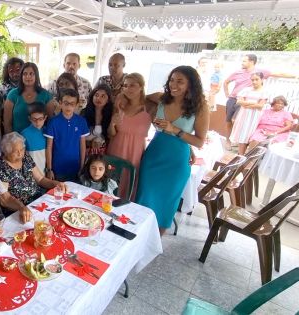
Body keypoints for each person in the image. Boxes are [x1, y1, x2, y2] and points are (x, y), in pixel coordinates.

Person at [137, 66, 209, 236]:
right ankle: (136, 240)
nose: (173, 85)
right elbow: (139, 98)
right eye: (171, 80)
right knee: (144, 199)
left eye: (180, 81)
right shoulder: (161, 98)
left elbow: (199, 141)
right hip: (154, 156)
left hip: (176, 163)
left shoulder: (200, 107)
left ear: (191, 85)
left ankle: (155, 243)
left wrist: (174, 130)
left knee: (166, 206)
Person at [223, 54, 294, 148]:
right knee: (228, 121)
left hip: (245, 100)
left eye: (244, 61)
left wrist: (295, 76)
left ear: (251, 62)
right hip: (233, 99)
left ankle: (237, 141)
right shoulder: (238, 72)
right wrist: (227, 94)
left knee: (235, 120)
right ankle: (228, 141)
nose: (242, 63)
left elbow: (279, 74)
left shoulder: (260, 72)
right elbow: (226, 82)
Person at [107, 73, 151, 199]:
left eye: (132, 85)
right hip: (116, 149)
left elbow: (165, 129)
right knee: (111, 184)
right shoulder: (120, 105)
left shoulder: (150, 107)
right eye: (125, 86)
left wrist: (189, 148)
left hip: (135, 153)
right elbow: (111, 134)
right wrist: (112, 123)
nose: (128, 89)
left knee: (129, 184)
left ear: (141, 87)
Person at [0, 132, 67, 207]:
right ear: (6, 152)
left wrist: (55, 184)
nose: (20, 154)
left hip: (37, 201)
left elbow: (40, 179)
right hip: (19, 209)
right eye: (15, 151)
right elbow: (5, 200)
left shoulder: (26, 157)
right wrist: (21, 207)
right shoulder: (1, 168)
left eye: (22, 149)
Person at [45, 88, 90, 182]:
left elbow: (82, 146)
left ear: (77, 105)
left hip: (76, 169)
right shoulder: (53, 122)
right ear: (60, 103)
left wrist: (82, 167)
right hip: (57, 169)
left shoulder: (81, 121)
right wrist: (49, 169)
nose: (68, 107)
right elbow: (48, 147)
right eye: (66, 103)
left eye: (72, 104)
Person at [3, 62, 57, 133]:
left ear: (36, 76)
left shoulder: (46, 95)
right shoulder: (13, 94)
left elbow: (51, 121)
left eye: (31, 74)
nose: (28, 77)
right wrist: (11, 140)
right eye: (25, 74)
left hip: (39, 141)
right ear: (21, 76)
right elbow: (7, 124)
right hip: (17, 141)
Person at [229, 72, 269, 154]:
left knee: (250, 134)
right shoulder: (246, 90)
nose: (254, 82)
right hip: (244, 114)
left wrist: (246, 103)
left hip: (255, 116)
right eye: (252, 80)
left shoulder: (264, 92)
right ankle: (240, 155)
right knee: (242, 134)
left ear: (262, 79)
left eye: (256, 79)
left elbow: (260, 106)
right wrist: (254, 104)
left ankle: (246, 156)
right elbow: (239, 101)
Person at [81, 84, 114, 155]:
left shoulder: (110, 115)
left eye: (103, 96)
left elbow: (109, 137)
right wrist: (90, 142)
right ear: (92, 97)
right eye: (96, 95)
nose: (98, 98)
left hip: (102, 151)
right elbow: (80, 134)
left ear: (108, 100)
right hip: (85, 148)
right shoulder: (84, 112)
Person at [21, 103, 47, 173]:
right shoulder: (24, 134)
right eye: (34, 119)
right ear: (29, 118)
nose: (37, 122)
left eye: (40, 119)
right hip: (31, 172)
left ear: (45, 118)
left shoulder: (47, 132)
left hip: (45, 171)